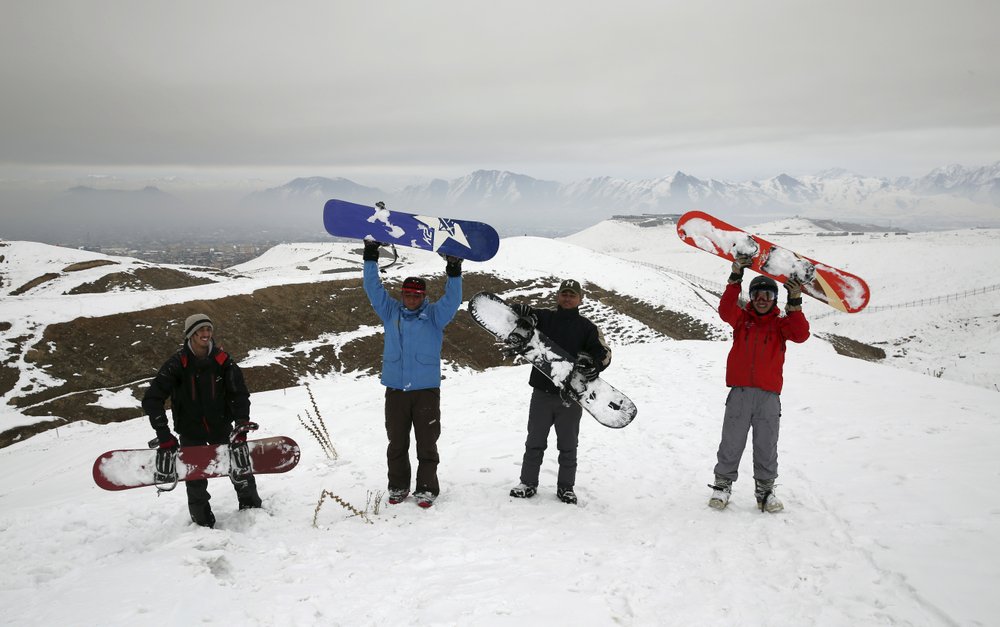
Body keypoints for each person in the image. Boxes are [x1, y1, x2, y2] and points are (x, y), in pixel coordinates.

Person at [362, 239, 463, 509]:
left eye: (417, 295)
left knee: (427, 444)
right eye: (408, 294)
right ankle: (398, 486)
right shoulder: (390, 311)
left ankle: (427, 489)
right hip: (396, 390)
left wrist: (453, 270)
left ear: (423, 296)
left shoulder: (434, 316)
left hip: (425, 391)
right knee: (397, 443)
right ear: (402, 294)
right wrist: (370, 255)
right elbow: (373, 289)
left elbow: (453, 300)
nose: (412, 298)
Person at [708, 256, 810, 513]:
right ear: (751, 297)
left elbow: (801, 335)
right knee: (731, 441)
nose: (762, 298)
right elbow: (725, 310)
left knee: (766, 444)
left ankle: (765, 491)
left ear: (775, 299)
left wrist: (795, 300)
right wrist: (735, 277)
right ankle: (722, 486)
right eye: (757, 294)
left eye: (768, 294)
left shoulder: (780, 325)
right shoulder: (742, 319)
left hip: (768, 396)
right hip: (740, 392)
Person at [142, 313, 261, 528]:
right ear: (190, 334)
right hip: (190, 429)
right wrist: (163, 434)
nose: (206, 334)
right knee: (194, 480)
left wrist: (241, 423)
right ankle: (202, 523)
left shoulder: (223, 361)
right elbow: (152, 399)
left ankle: (252, 511)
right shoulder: (177, 364)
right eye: (200, 330)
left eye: (209, 329)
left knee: (240, 468)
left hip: (221, 425)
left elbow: (239, 393)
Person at [507, 279, 612, 505]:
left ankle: (566, 488)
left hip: (571, 397)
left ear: (580, 299)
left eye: (572, 295)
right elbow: (518, 315)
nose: (567, 298)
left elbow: (601, 353)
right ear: (558, 296)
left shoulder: (587, 328)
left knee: (568, 445)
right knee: (534, 441)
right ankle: (528, 483)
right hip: (542, 392)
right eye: (564, 293)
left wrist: (595, 365)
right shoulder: (544, 318)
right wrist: (521, 309)